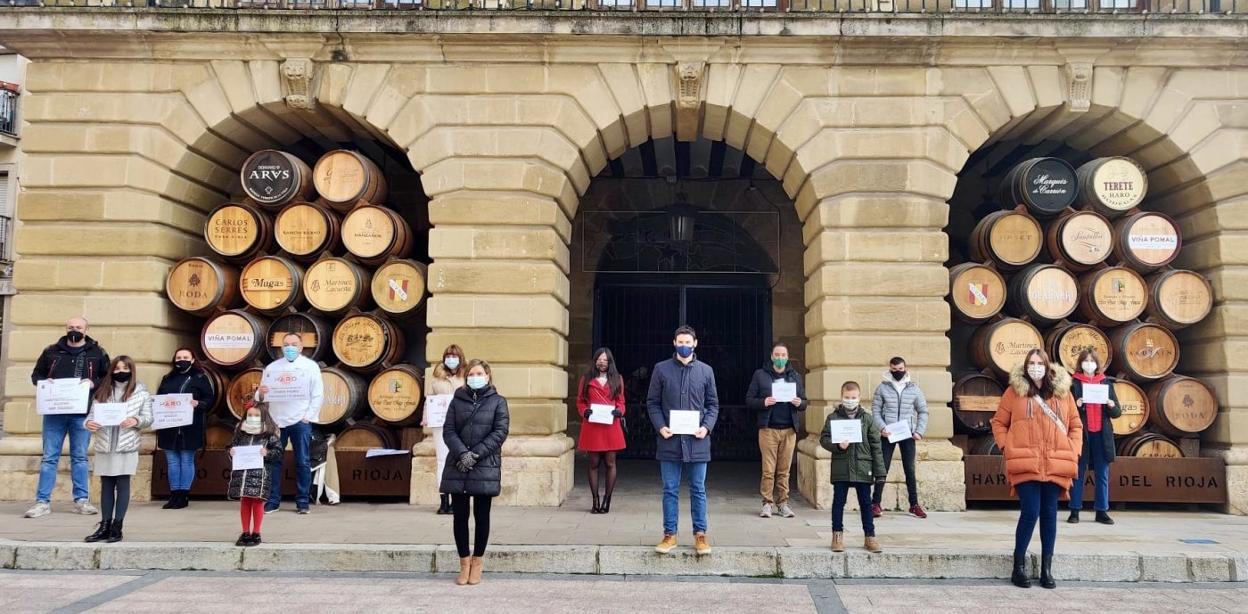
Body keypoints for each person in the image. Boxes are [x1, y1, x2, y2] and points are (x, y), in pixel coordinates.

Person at [992, 348, 1082, 590]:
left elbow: (1076, 425)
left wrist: (1073, 449)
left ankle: (1046, 569)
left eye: (1039, 363)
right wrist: (1007, 446)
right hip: (1025, 461)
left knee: (1050, 514)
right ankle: (1018, 567)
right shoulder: (1014, 392)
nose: (1035, 368)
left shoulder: (1062, 393)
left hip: (1056, 461)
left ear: (1047, 366)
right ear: (1025, 366)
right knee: (1030, 512)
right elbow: (999, 422)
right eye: (1031, 363)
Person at [26, 316, 110, 518]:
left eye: (78, 327)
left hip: (81, 414)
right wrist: (44, 382)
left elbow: (107, 377)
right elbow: (36, 375)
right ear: (66, 328)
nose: (74, 330)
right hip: (54, 413)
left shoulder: (97, 352)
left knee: (80, 457)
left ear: (86, 329)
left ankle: (81, 500)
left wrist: (93, 383)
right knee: (49, 458)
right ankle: (42, 502)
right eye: (71, 327)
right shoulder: (51, 351)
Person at [647, 325, 719, 556]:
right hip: (670, 440)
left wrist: (706, 427)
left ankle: (700, 535)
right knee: (670, 489)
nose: (684, 346)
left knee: (698, 489)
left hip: (698, 442)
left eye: (688, 342)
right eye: (681, 342)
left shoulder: (706, 371)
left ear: (695, 343)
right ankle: (670, 534)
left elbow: (713, 405)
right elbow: (652, 403)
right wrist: (661, 426)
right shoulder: (661, 369)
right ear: (674, 343)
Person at [440, 359, 510, 586]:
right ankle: (464, 562)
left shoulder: (498, 401)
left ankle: (477, 562)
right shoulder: (457, 400)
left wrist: (475, 455)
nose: (475, 377)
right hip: (458, 464)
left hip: (484, 464)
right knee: (460, 516)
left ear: (487, 376)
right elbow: (449, 430)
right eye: (471, 373)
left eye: (479, 373)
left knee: (482, 515)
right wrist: (462, 454)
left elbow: (500, 432)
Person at [83, 356, 153, 544]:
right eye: (117, 368)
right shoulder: (103, 391)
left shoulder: (141, 392)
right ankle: (104, 525)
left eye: (125, 368)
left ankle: (117, 526)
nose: (121, 372)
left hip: (126, 445)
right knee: (106, 485)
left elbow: (148, 418)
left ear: (131, 370)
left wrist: (136, 420)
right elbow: (91, 415)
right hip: (105, 444)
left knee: (122, 484)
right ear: (111, 370)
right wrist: (88, 423)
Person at [255, 332, 324, 514]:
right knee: (274, 460)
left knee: (302, 461)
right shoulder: (272, 368)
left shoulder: (310, 367)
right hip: (277, 421)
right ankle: (273, 501)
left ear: (301, 347)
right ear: (281, 347)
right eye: (286, 345)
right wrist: (261, 392)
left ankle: (302, 502)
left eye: (294, 344)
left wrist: (308, 416)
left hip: (300, 420)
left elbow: (317, 394)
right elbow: (259, 397)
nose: (290, 348)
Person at [819, 381, 885, 553]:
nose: (850, 400)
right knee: (838, 502)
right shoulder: (833, 418)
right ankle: (837, 536)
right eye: (847, 397)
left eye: (853, 397)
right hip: (842, 466)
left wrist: (880, 472)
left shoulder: (867, 419)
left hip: (863, 466)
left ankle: (870, 537)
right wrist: (837, 446)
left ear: (859, 398)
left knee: (866, 503)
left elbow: (876, 446)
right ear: (842, 397)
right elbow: (824, 439)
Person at [745, 341, 807, 519]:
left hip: (789, 429)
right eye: (777, 355)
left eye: (783, 355)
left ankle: (783, 504)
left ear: (787, 357)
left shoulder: (795, 376)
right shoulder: (760, 375)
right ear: (772, 356)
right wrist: (763, 402)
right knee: (768, 469)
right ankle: (767, 503)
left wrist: (799, 403)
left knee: (784, 470)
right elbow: (749, 400)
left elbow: (804, 402)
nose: (780, 358)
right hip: (768, 429)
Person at [156, 348, 217, 510]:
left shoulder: (200, 378)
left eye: (185, 357)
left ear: (192, 360)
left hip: (190, 426)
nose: (181, 360)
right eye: (178, 357)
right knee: (172, 461)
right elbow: (159, 398)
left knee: (186, 459)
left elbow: (209, 398)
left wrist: (199, 404)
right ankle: (174, 494)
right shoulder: (167, 378)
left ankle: (183, 495)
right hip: (169, 426)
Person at [870, 356, 929, 519]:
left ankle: (914, 505)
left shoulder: (914, 389)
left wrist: (919, 431)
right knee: (882, 469)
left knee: (909, 469)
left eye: (900, 369)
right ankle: (875, 503)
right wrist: (881, 427)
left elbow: (923, 411)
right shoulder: (882, 388)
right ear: (890, 369)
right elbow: (875, 410)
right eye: (894, 369)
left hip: (907, 434)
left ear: (905, 368)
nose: (898, 372)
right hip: (887, 433)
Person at [1068, 349, 1121, 525]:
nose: (1089, 364)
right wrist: (1077, 405)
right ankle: (1074, 510)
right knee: (1078, 473)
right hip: (1082, 435)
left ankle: (1101, 511)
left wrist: (1111, 406)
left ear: (1097, 364)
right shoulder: (1073, 384)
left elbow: (1117, 412)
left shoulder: (1105, 382)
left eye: (1092, 361)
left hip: (1101, 434)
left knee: (1102, 474)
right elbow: (1066, 412)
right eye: (1086, 361)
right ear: (1080, 363)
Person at [577, 348, 626, 514]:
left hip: (611, 425)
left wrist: (619, 411)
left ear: (610, 361)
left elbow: (621, 402)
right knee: (593, 463)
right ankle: (595, 499)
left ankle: (607, 499)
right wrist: (584, 411)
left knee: (611, 463)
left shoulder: (617, 379)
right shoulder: (586, 379)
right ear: (595, 361)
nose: (602, 362)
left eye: (605, 360)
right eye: (599, 359)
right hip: (593, 425)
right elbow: (580, 401)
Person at [228, 401, 283, 547]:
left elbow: (278, 452)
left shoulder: (269, 433)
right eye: (250, 415)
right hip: (243, 474)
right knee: (245, 502)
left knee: (258, 502)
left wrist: (267, 453)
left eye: (256, 415)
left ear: (263, 416)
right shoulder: (240, 432)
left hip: (260, 475)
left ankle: (256, 533)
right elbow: (232, 447)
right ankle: (245, 532)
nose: (252, 417)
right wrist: (231, 452)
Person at [425, 344, 467, 515]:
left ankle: (457, 499)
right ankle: (444, 501)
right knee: (442, 461)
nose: (451, 359)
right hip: (440, 423)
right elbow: (429, 399)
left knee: (460, 460)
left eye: (454, 356)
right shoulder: (436, 378)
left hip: (461, 424)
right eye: (448, 356)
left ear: (460, 358)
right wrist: (426, 416)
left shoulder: (466, 377)